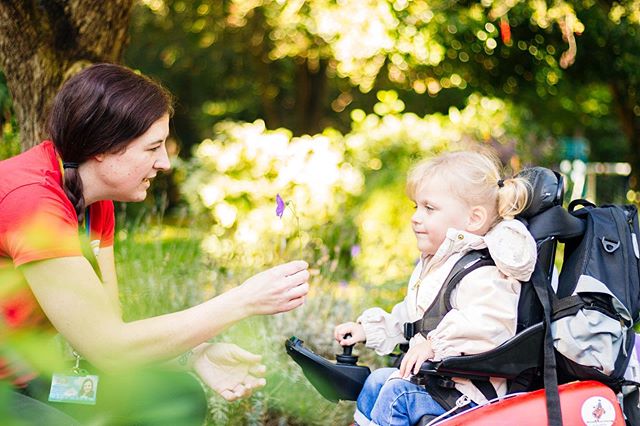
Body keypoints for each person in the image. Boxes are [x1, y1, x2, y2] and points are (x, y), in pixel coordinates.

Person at [0, 63, 310, 424]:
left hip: (25, 380)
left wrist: (195, 353)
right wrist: (242, 300)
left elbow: (110, 328)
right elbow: (108, 347)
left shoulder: (93, 202)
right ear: (104, 147)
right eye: (153, 147)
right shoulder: (31, 201)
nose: (164, 162)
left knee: (174, 396)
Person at [333, 150, 537, 426]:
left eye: (429, 209)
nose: (416, 217)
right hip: (439, 383)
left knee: (397, 394)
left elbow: (488, 325)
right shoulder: (438, 265)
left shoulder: (483, 272)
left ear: (474, 219)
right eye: (415, 207)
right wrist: (369, 330)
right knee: (378, 380)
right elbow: (415, 320)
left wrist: (434, 345)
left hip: (471, 394)